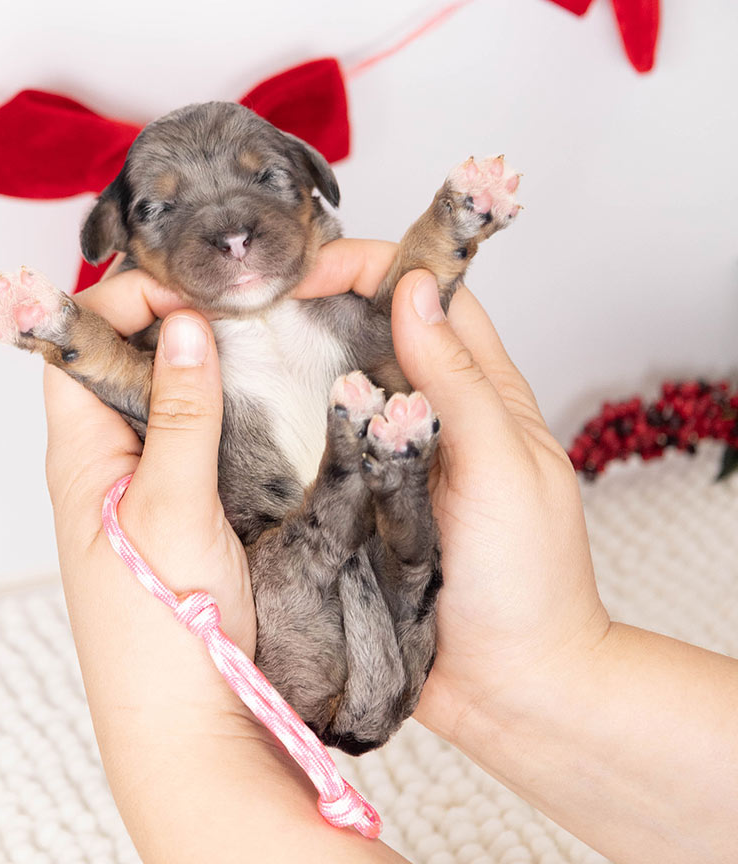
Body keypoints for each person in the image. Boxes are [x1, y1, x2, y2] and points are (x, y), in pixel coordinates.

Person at [44, 239, 738, 864]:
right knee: (392, 560)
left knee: (356, 550)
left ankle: (372, 465)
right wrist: (544, 663)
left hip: (312, 614)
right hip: (352, 625)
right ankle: (385, 467)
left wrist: (176, 742)